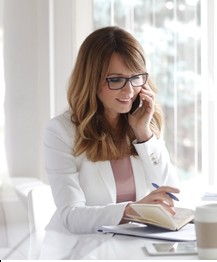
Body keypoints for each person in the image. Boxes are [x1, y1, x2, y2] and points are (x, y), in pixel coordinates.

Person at [43, 26, 180, 237]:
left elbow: (170, 193)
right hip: (83, 250)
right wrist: (132, 211)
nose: (129, 91)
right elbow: (71, 215)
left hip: (135, 244)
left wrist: (143, 134)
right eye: (115, 79)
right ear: (91, 81)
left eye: (136, 78)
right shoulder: (60, 132)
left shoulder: (142, 122)